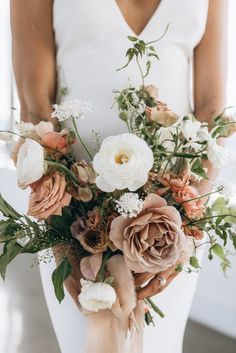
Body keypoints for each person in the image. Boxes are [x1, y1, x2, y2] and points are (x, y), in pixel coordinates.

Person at [10, 0, 228, 352]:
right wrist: (61, 228)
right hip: (73, 212)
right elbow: (35, 105)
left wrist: (183, 226)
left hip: (171, 227)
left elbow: (210, 109)